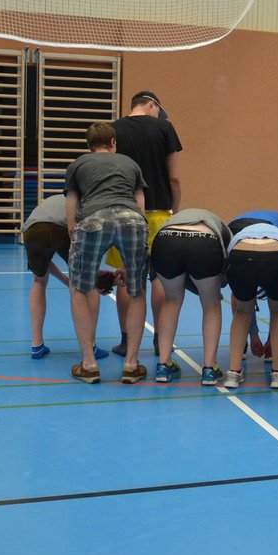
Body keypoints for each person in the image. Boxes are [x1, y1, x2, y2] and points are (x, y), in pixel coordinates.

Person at [64, 122, 150, 384]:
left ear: (89, 145)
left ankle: (89, 365)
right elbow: (140, 204)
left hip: (93, 218)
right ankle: (131, 365)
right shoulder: (130, 163)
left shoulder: (78, 164)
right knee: (136, 290)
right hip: (131, 219)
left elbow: (72, 204)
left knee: (80, 289)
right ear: (113, 142)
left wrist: (73, 231)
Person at [107, 90, 183, 357]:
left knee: (125, 276)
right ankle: (161, 339)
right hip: (158, 211)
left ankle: (126, 340)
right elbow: (174, 177)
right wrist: (176, 210)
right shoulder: (164, 128)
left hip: (122, 212)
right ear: (152, 104)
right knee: (158, 276)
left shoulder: (113, 129)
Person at [22, 193, 113, 360]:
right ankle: (90, 345)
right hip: (63, 227)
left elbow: (45, 265)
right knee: (87, 286)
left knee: (39, 280)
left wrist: (66, 279)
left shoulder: (51, 202)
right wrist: (90, 274)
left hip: (32, 229)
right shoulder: (86, 206)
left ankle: (36, 344)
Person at [149, 208, 232, 387]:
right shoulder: (225, 231)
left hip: (165, 240)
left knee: (171, 300)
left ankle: (163, 365)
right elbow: (226, 276)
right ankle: (209, 368)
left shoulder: (177, 219)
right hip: (205, 243)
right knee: (211, 304)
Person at [222, 222, 278, 391]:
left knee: (242, 311)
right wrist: (270, 339)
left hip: (240, 253)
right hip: (277, 253)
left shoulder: (239, 229)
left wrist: (254, 335)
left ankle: (233, 372)